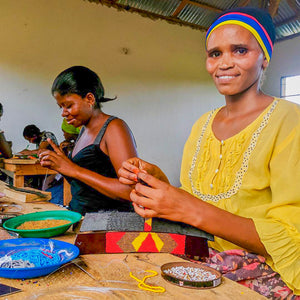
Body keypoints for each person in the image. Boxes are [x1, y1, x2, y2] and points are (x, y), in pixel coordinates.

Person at [118, 7, 300, 299]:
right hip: (199, 254)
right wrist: (159, 183)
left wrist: (186, 208)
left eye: (240, 50)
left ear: (264, 57)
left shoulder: (289, 120)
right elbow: (195, 197)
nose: (224, 63)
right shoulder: (203, 124)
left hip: (265, 271)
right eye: (215, 53)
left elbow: (291, 236)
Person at [39, 66, 137, 215]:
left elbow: (130, 190)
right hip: (81, 219)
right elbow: (86, 186)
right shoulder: (83, 130)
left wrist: (74, 170)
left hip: (108, 226)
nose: (64, 113)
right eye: (61, 107)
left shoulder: (114, 128)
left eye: (69, 106)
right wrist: (62, 166)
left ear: (90, 98)